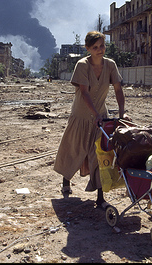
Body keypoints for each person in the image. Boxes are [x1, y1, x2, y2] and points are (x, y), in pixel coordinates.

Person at [53, 31, 130, 209]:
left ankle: (100, 197)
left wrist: (121, 113)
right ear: (88, 49)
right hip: (80, 115)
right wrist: (94, 114)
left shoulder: (110, 65)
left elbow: (118, 90)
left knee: (100, 154)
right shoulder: (82, 65)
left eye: (102, 46)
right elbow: (84, 92)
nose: (99, 50)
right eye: (95, 47)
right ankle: (66, 182)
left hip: (100, 117)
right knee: (74, 149)